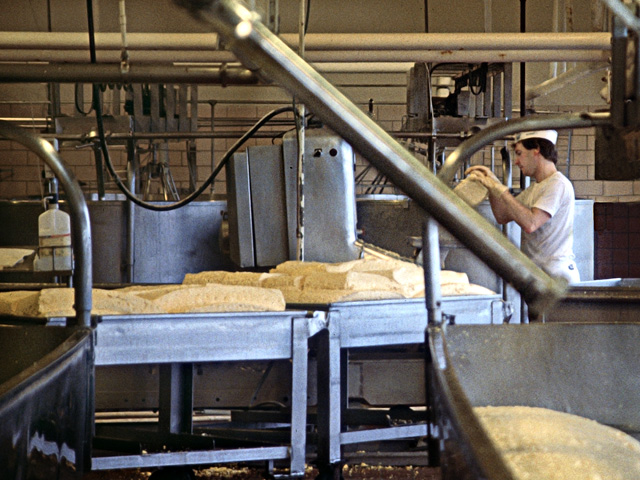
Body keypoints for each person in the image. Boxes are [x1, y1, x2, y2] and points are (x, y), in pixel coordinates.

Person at [466, 129, 580, 285]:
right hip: (539, 275)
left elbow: (530, 224)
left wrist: (502, 190)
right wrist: (493, 187)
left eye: (519, 153)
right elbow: (502, 216)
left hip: (556, 277)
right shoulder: (536, 188)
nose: (516, 161)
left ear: (536, 150)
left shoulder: (557, 184)